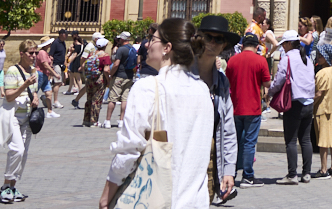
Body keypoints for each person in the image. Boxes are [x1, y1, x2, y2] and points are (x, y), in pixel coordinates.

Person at [101, 18, 214, 209]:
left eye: (153, 39)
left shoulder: (148, 87)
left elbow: (129, 149)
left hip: (154, 200)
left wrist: (107, 194)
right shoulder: (203, 90)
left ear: (167, 48)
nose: (147, 44)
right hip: (195, 201)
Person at [191, 15, 239, 203]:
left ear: (223, 45)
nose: (212, 42)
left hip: (210, 158)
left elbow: (228, 128)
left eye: (218, 39)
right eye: (208, 37)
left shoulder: (221, 81)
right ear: (199, 39)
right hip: (182, 157)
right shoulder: (183, 73)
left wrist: (229, 170)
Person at [0, 39, 42, 204]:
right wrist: (24, 85)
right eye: (31, 53)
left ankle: (13, 187)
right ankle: (5, 186)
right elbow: (8, 96)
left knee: (23, 154)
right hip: (13, 117)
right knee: (17, 150)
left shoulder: (34, 71)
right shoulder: (13, 71)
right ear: (22, 54)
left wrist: (35, 97)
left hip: (27, 118)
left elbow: (33, 91)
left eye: (35, 53)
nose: (34, 56)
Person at [270, 30, 315, 184]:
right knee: (306, 140)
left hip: (294, 103)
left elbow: (279, 79)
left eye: (284, 44)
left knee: (291, 140)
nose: (283, 47)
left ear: (289, 43)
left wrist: (270, 92)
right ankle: (307, 173)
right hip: (309, 102)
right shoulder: (307, 58)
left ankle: (292, 175)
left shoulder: (287, 58)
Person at [227, 31, 271, 188]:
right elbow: (267, 83)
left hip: (235, 107)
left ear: (242, 45)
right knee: (249, 143)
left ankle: (230, 174)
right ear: (257, 47)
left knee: (234, 142)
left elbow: (227, 81)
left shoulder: (232, 60)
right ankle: (248, 176)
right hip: (253, 108)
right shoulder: (260, 61)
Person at [312, 48, 332, 178]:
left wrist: (309, 102)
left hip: (323, 109)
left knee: (323, 141)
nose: (319, 57)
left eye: (321, 55)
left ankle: (324, 170)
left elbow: (319, 93)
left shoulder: (322, 73)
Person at [102, 31, 139, 128]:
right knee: (125, 99)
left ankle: (108, 121)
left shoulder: (121, 49)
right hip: (129, 76)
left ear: (122, 39)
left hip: (119, 76)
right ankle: (121, 121)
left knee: (112, 98)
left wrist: (111, 74)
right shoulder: (133, 49)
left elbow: (116, 64)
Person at [79, 38, 111, 127]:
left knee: (89, 99)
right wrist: (108, 80)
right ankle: (94, 121)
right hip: (99, 80)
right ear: (105, 46)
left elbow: (84, 65)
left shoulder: (92, 54)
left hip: (89, 79)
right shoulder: (105, 55)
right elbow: (106, 70)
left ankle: (86, 120)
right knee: (96, 100)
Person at [33, 37, 61, 118]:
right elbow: (45, 65)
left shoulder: (45, 53)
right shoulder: (42, 52)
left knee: (49, 92)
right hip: (40, 74)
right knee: (34, 92)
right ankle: (31, 109)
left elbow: (49, 64)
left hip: (45, 75)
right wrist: (55, 74)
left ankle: (50, 111)